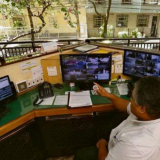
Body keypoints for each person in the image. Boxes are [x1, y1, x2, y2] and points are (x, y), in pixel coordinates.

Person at [93, 76, 160, 160]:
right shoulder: (150, 112)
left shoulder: (136, 145)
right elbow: (126, 105)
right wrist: (107, 95)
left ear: (142, 108)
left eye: (132, 98)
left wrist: (102, 144)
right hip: (116, 141)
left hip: (112, 150)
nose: (130, 100)